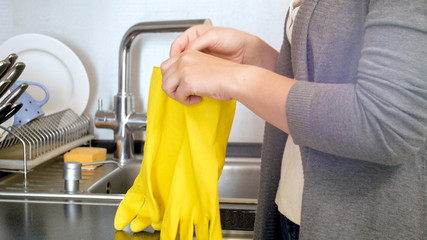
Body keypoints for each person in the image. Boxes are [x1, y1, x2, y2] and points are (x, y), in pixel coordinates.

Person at [160, 0, 427, 239]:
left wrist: (235, 78)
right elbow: (328, 77)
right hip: (293, 215)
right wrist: (255, 59)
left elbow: (385, 121)